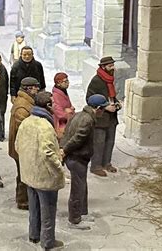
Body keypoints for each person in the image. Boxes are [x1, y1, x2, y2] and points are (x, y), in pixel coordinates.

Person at [15, 91, 65, 250]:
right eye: (53, 103)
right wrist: (59, 168)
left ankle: (34, 235)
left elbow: (18, 146)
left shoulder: (26, 122)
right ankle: (48, 241)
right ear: (48, 106)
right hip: (45, 176)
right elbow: (48, 153)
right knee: (48, 211)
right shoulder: (45, 126)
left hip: (29, 174)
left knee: (34, 208)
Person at [61, 94, 109, 230]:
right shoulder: (87, 120)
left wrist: (63, 148)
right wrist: (64, 150)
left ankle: (82, 212)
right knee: (78, 189)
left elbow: (66, 133)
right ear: (98, 108)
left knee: (82, 187)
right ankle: (74, 220)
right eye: (103, 109)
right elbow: (77, 139)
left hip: (77, 157)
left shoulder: (78, 115)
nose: (104, 112)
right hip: (77, 158)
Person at [86, 56, 122, 177]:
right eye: (110, 66)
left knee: (110, 141)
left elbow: (110, 96)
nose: (113, 68)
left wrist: (116, 103)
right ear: (103, 67)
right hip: (101, 118)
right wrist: (105, 106)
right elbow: (89, 99)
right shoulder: (96, 80)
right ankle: (96, 166)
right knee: (99, 142)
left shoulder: (110, 79)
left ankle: (107, 162)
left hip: (112, 117)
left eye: (113, 65)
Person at [8, 77, 40, 210]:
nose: (37, 89)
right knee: (23, 174)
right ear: (28, 89)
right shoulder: (22, 106)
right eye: (35, 87)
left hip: (22, 146)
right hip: (21, 147)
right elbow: (24, 129)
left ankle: (24, 198)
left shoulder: (27, 102)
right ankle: (22, 200)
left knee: (24, 173)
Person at [52, 72, 75, 139]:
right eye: (65, 81)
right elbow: (60, 114)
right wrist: (69, 111)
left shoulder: (63, 92)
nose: (68, 83)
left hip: (66, 122)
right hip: (60, 125)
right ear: (58, 83)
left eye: (68, 81)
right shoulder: (56, 95)